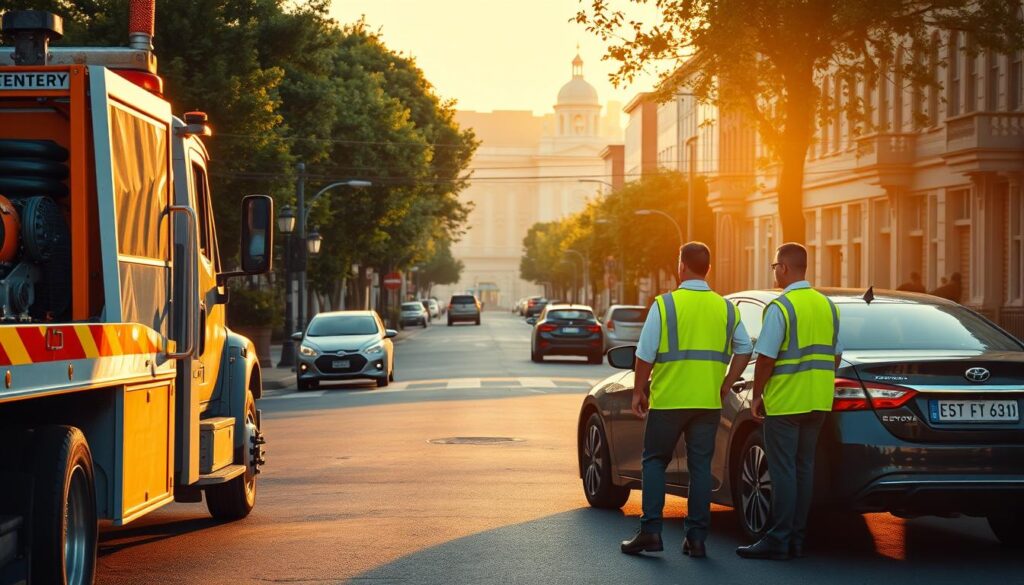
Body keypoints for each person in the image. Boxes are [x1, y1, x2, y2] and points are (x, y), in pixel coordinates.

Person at [620, 242, 753, 559]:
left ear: (681, 266)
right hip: (707, 402)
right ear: (709, 269)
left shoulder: (665, 305)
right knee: (700, 469)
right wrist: (726, 383)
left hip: (669, 400)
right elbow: (744, 348)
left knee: (654, 461)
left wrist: (639, 391)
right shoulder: (727, 308)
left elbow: (645, 353)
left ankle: (651, 532)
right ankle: (696, 539)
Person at [736, 243, 842, 561]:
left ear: (783, 267)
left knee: (782, 470)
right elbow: (836, 355)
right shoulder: (827, 306)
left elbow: (766, 358)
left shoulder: (781, 308)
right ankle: (796, 538)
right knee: (803, 469)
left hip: (785, 403)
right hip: (818, 402)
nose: (775, 273)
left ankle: (778, 539)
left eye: (774, 267)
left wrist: (757, 395)